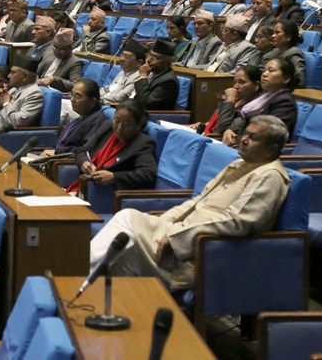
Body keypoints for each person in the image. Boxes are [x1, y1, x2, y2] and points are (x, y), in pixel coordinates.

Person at [90, 115, 290, 291]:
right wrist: (164, 223)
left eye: (253, 138)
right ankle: (104, 297)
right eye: (245, 134)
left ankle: (78, 277)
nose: (243, 140)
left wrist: (178, 238)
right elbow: (198, 200)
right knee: (123, 235)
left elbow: (237, 222)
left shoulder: (270, 176)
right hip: (181, 232)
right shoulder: (240, 164)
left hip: (198, 251)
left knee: (126, 223)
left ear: (272, 149)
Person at [67, 98, 157, 194]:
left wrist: (114, 177)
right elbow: (82, 150)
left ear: (138, 125)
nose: (119, 127)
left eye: (126, 124)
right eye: (117, 121)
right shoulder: (108, 127)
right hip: (82, 186)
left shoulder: (142, 143)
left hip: (104, 195)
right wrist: (84, 163)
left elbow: (147, 175)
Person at [223, 58, 297, 145]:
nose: (264, 74)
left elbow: (270, 134)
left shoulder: (285, 102)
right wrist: (230, 130)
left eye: (271, 70)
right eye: (264, 70)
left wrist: (236, 138)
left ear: (286, 78)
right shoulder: (266, 98)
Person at [41, 79, 108, 157]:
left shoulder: (97, 120)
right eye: (72, 94)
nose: (72, 99)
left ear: (93, 101)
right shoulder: (81, 117)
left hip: (65, 163)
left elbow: (85, 152)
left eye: (78, 96)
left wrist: (57, 152)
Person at [193, 65, 262, 136]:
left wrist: (229, 100)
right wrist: (205, 124)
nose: (236, 86)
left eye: (242, 82)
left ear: (256, 86)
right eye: (235, 82)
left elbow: (222, 129)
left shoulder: (252, 110)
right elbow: (218, 121)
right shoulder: (236, 101)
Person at [0, 55, 44, 132]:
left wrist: (6, 103)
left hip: (5, 137)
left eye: (12, 73)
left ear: (25, 76)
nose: (9, 76)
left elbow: (18, 123)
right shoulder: (13, 89)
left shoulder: (35, 94)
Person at [133, 38, 179, 110]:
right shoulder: (153, 73)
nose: (149, 60)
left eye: (156, 58)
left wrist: (143, 77)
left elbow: (146, 103)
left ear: (168, 62)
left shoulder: (169, 81)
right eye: (150, 55)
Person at [271, 20, 306, 87]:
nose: (273, 36)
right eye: (273, 33)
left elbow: (299, 80)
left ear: (288, 37)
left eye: (277, 32)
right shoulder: (274, 52)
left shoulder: (295, 53)